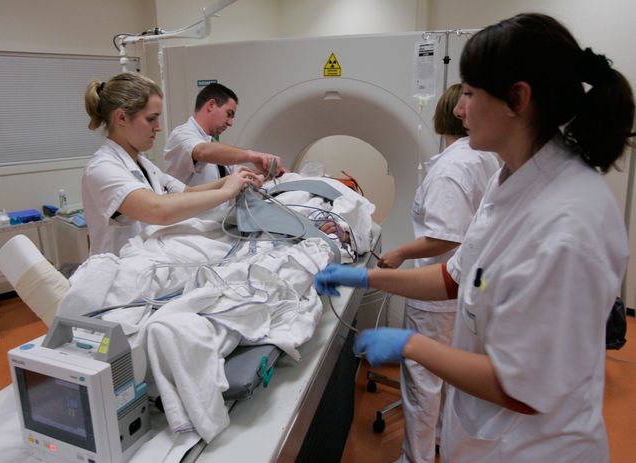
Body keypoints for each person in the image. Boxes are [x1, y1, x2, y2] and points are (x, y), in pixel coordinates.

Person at [315, 13, 633, 462]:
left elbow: (525, 388)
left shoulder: (569, 224)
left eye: (468, 92)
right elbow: (455, 277)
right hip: (483, 436)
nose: (459, 110)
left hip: (533, 449)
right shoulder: (509, 181)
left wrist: (412, 345)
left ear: (517, 99)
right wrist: (367, 278)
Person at [377, 83, 498, 463]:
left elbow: (445, 237)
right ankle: (442, 441)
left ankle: (417, 458)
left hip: (437, 292)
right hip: (468, 288)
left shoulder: (451, 168)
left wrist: (398, 253)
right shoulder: (485, 158)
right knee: (447, 378)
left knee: (422, 383)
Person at [83, 72, 262, 256]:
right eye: (151, 119)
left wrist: (235, 179)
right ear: (121, 118)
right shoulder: (102, 167)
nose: (158, 127)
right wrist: (226, 192)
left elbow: (188, 192)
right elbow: (158, 210)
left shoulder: (144, 165)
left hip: (149, 260)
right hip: (121, 267)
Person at [163, 82, 286, 187]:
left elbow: (236, 174)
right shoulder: (181, 135)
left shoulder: (211, 143)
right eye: (229, 114)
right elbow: (202, 151)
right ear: (211, 105)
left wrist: (271, 173)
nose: (230, 123)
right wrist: (253, 156)